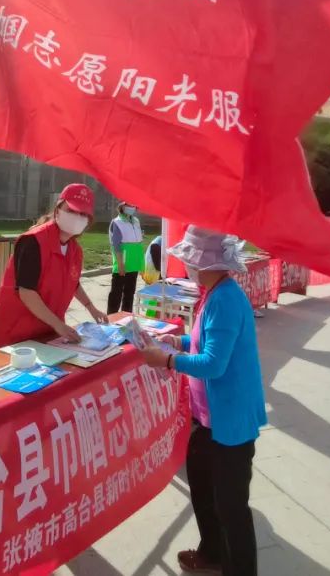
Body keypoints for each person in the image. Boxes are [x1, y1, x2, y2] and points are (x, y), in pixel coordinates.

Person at [139, 226, 265, 576]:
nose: (188, 267)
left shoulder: (225, 300)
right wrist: (175, 341)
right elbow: (203, 341)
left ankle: (239, 568)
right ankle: (212, 554)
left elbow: (213, 363)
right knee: (203, 488)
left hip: (230, 421)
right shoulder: (214, 292)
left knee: (231, 507)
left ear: (205, 264)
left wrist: (166, 360)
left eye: (191, 262)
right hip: (208, 418)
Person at [0, 184, 107, 351]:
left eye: (83, 214)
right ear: (57, 210)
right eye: (71, 210)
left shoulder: (75, 250)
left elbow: (73, 282)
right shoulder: (33, 241)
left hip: (46, 331)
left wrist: (92, 308)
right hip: (13, 333)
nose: (77, 217)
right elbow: (26, 291)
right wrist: (59, 325)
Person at [108, 202, 145, 314]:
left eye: (133, 205)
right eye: (129, 205)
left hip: (134, 263)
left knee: (129, 293)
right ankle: (111, 317)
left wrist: (141, 264)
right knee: (116, 293)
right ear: (122, 206)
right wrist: (120, 264)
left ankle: (126, 317)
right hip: (123, 263)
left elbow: (138, 242)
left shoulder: (136, 221)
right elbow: (116, 245)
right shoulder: (117, 222)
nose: (132, 207)